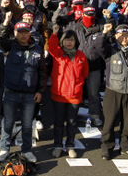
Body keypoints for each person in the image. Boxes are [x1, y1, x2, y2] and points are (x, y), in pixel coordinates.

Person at [0, 12, 46, 163]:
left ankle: (27, 150)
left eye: (25, 32)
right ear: (15, 33)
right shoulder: (9, 46)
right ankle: (4, 149)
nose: (23, 35)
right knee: (8, 122)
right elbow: (0, 38)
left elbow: (42, 71)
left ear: (29, 32)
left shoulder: (38, 49)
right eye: (20, 32)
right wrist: (6, 22)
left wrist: (40, 90)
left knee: (27, 124)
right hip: (11, 91)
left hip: (30, 94)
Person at [99, 24, 128, 161]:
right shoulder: (110, 50)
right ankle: (107, 148)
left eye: (127, 35)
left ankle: (126, 147)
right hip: (113, 90)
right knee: (110, 122)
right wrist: (104, 34)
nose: (124, 38)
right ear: (116, 36)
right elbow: (100, 47)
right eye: (121, 35)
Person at [48, 25, 89, 158]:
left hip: (74, 95)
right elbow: (51, 47)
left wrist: (76, 84)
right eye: (67, 39)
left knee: (71, 122)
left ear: (76, 41)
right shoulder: (58, 53)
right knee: (59, 122)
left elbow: (85, 72)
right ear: (62, 41)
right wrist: (54, 34)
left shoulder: (81, 55)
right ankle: (58, 145)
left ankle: (70, 145)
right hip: (59, 94)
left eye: (72, 39)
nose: (69, 42)